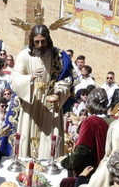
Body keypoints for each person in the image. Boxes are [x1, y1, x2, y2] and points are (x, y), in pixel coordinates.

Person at [7, 23, 72, 160]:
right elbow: (14, 79)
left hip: (51, 105)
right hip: (30, 101)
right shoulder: (24, 55)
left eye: (43, 41)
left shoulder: (58, 56)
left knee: (49, 144)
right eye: (37, 42)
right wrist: (29, 78)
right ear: (31, 41)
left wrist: (59, 92)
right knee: (26, 138)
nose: (40, 45)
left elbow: (67, 80)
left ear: (48, 39)